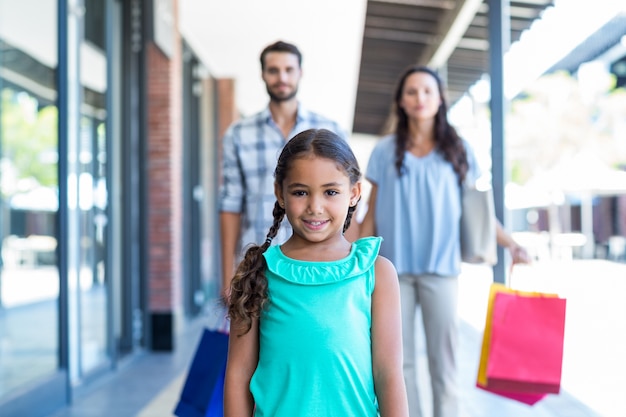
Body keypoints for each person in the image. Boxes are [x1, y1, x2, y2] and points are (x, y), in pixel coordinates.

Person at [359, 66, 530, 417]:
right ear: (401, 101)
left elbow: (481, 214)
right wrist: (349, 259)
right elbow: (370, 214)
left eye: (427, 91)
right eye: (411, 92)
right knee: (397, 365)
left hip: (442, 272)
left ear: (439, 99)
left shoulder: (459, 150)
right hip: (392, 273)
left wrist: (511, 243)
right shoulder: (384, 150)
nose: (419, 98)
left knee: (445, 365)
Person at [223, 129, 409, 417]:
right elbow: (237, 377)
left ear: (354, 193)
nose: (315, 207)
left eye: (330, 192)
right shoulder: (258, 272)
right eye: (300, 192)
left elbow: (389, 374)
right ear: (280, 194)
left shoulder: (378, 274)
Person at [218, 40, 349, 301]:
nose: (282, 77)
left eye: (289, 70)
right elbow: (231, 205)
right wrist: (227, 277)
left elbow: (344, 201)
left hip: (318, 263)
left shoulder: (329, 129)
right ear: (263, 75)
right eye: (274, 70)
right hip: (258, 262)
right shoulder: (238, 134)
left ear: (300, 73)